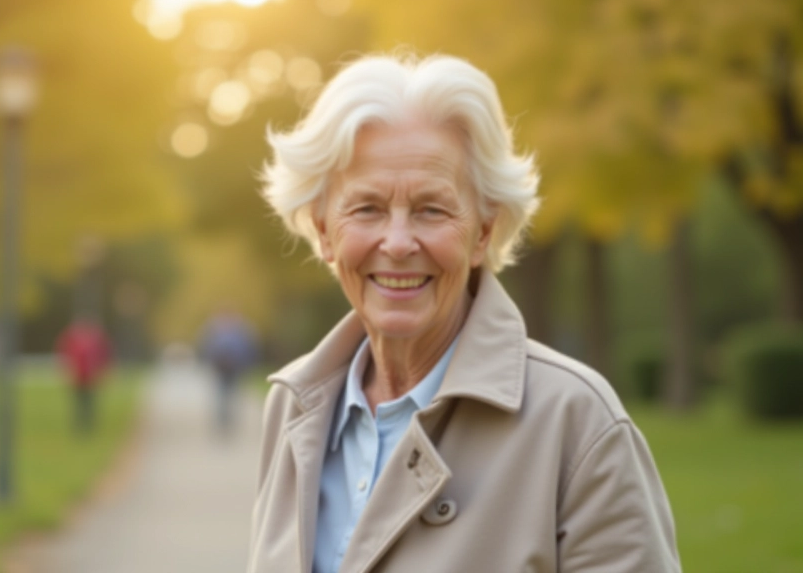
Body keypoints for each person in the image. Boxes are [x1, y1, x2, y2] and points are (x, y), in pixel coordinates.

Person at [248, 53, 680, 572]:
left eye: (432, 209)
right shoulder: (293, 407)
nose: (400, 242)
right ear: (323, 232)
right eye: (367, 208)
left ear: (482, 233)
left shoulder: (577, 422)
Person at [199, 309, 258, 435]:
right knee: (224, 393)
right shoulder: (219, 330)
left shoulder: (236, 331)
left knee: (228, 393)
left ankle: (226, 419)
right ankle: (224, 419)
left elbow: (249, 349)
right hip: (222, 367)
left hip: (234, 367)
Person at [56, 319, 111, 434]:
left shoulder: (94, 341)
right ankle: (79, 425)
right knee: (79, 402)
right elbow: (65, 355)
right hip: (78, 376)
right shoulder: (74, 340)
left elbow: (103, 356)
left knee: (89, 402)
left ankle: (88, 424)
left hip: (90, 377)